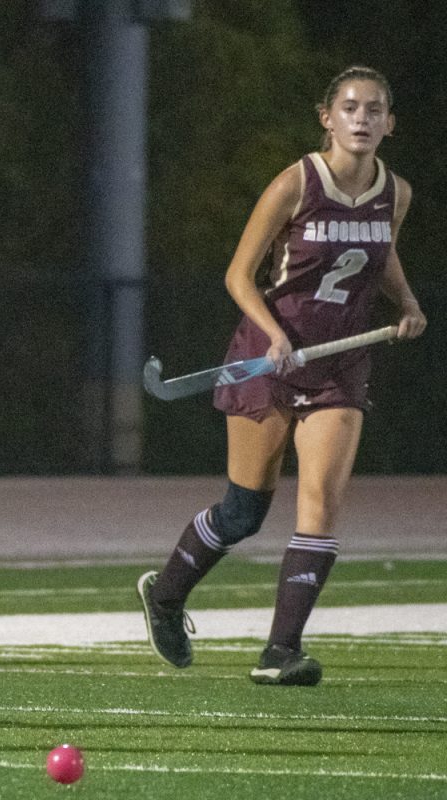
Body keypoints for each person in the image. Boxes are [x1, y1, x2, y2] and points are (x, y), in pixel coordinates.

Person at [136, 65, 426, 686]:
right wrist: (273, 335)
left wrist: (406, 304)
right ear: (327, 117)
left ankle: (281, 652)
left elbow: (382, 253)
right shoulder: (296, 182)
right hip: (270, 358)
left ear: (390, 124)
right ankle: (165, 597)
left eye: (375, 110)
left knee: (320, 504)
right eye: (350, 108)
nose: (362, 119)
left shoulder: (395, 192)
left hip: (340, 363)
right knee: (244, 511)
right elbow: (239, 274)